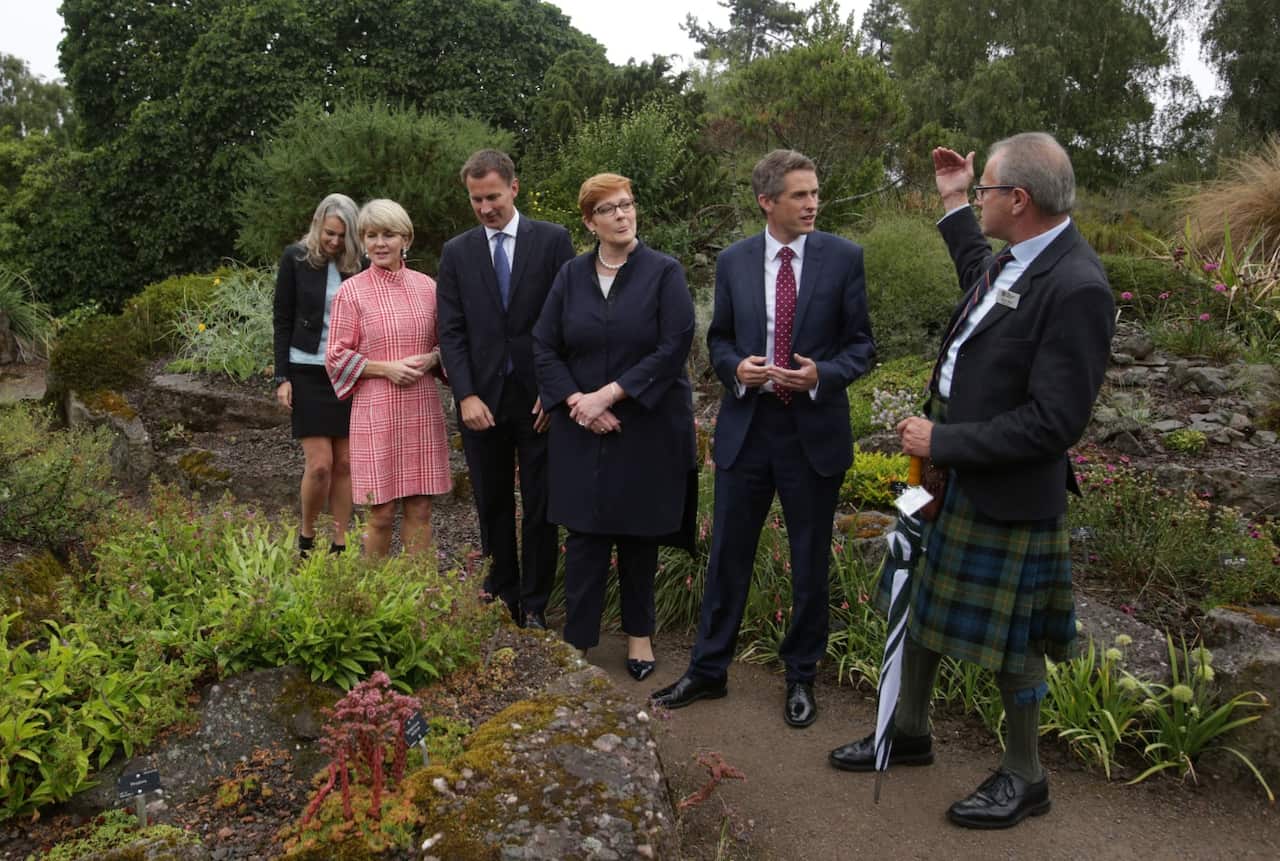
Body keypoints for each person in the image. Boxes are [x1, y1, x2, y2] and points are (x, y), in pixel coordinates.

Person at [828, 133, 1114, 829]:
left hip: (999, 485)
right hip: (940, 474)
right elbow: (975, 274)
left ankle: (1026, 775)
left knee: (1016, 645)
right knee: (917, 592)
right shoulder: (1016, 261)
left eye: (985, 189)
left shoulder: (1076, 286)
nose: (979, 197)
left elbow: (1054, 423)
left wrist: (944, 438)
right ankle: (911, 730)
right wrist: (954, 200)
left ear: (1019, 200)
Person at [651, 150, 875, 724]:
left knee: (808, 563)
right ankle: (708, 671)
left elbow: (862, 347)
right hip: (747, 429)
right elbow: (721, 339)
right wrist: (736, 370)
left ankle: (801, 677)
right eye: (800, 195)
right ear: (766, 201)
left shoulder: (844, 258)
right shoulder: (734, 261)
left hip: (812, 432)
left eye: (815, 193)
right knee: (726, 555)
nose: (813, 204)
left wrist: (822, 373)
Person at [533, 173, 695, 681]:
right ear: (589, 222)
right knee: (584, 534)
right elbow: (544, 345)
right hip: (581, 426)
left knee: (638, 533)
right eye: (609, 209)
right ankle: (579, 638)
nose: (622, 215)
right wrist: (579, 400)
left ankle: (639, 636)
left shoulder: (664, 273)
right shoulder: (570, 276)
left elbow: (674, 345)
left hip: (643, 423)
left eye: (627, 204)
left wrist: (612, 394)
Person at [436, 149, 575, 628]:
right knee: (491, 503)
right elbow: (450, 331)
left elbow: (566, 321)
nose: (485, 207)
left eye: (492, 196)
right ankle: (503, 598)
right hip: (482, 403)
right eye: (476, 199)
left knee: (541, 506)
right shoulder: (457, 253)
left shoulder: (554, 241)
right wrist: (465, 395)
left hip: (540, 401)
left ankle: (536, 605)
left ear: (514, 188)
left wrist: (556, 391)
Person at [325, 199, 451, 557]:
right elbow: (335, 356)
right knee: (379, 514)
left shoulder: (429, 288)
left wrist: (432, 357)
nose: (380, 243)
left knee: (421, 508)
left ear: (405, 238)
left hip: (421, 409)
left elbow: (450, 344)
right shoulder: (351, 292)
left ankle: (417, 599)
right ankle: (375, 599)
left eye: (388, 234)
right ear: (363, 241)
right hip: (375, 412)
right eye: (371, 235)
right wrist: (386, 368)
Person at [272, 193, 361, 556]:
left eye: (342, 236)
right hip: (306, 368)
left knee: (345, 463)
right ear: (317, 225)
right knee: (321, 464)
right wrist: (282, 377)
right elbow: (282, 319)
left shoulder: (360, 263)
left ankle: (340, 543)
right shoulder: (295, 258)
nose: (335, 242)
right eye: (329, 234)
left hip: (348, 371)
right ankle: (307, 537)